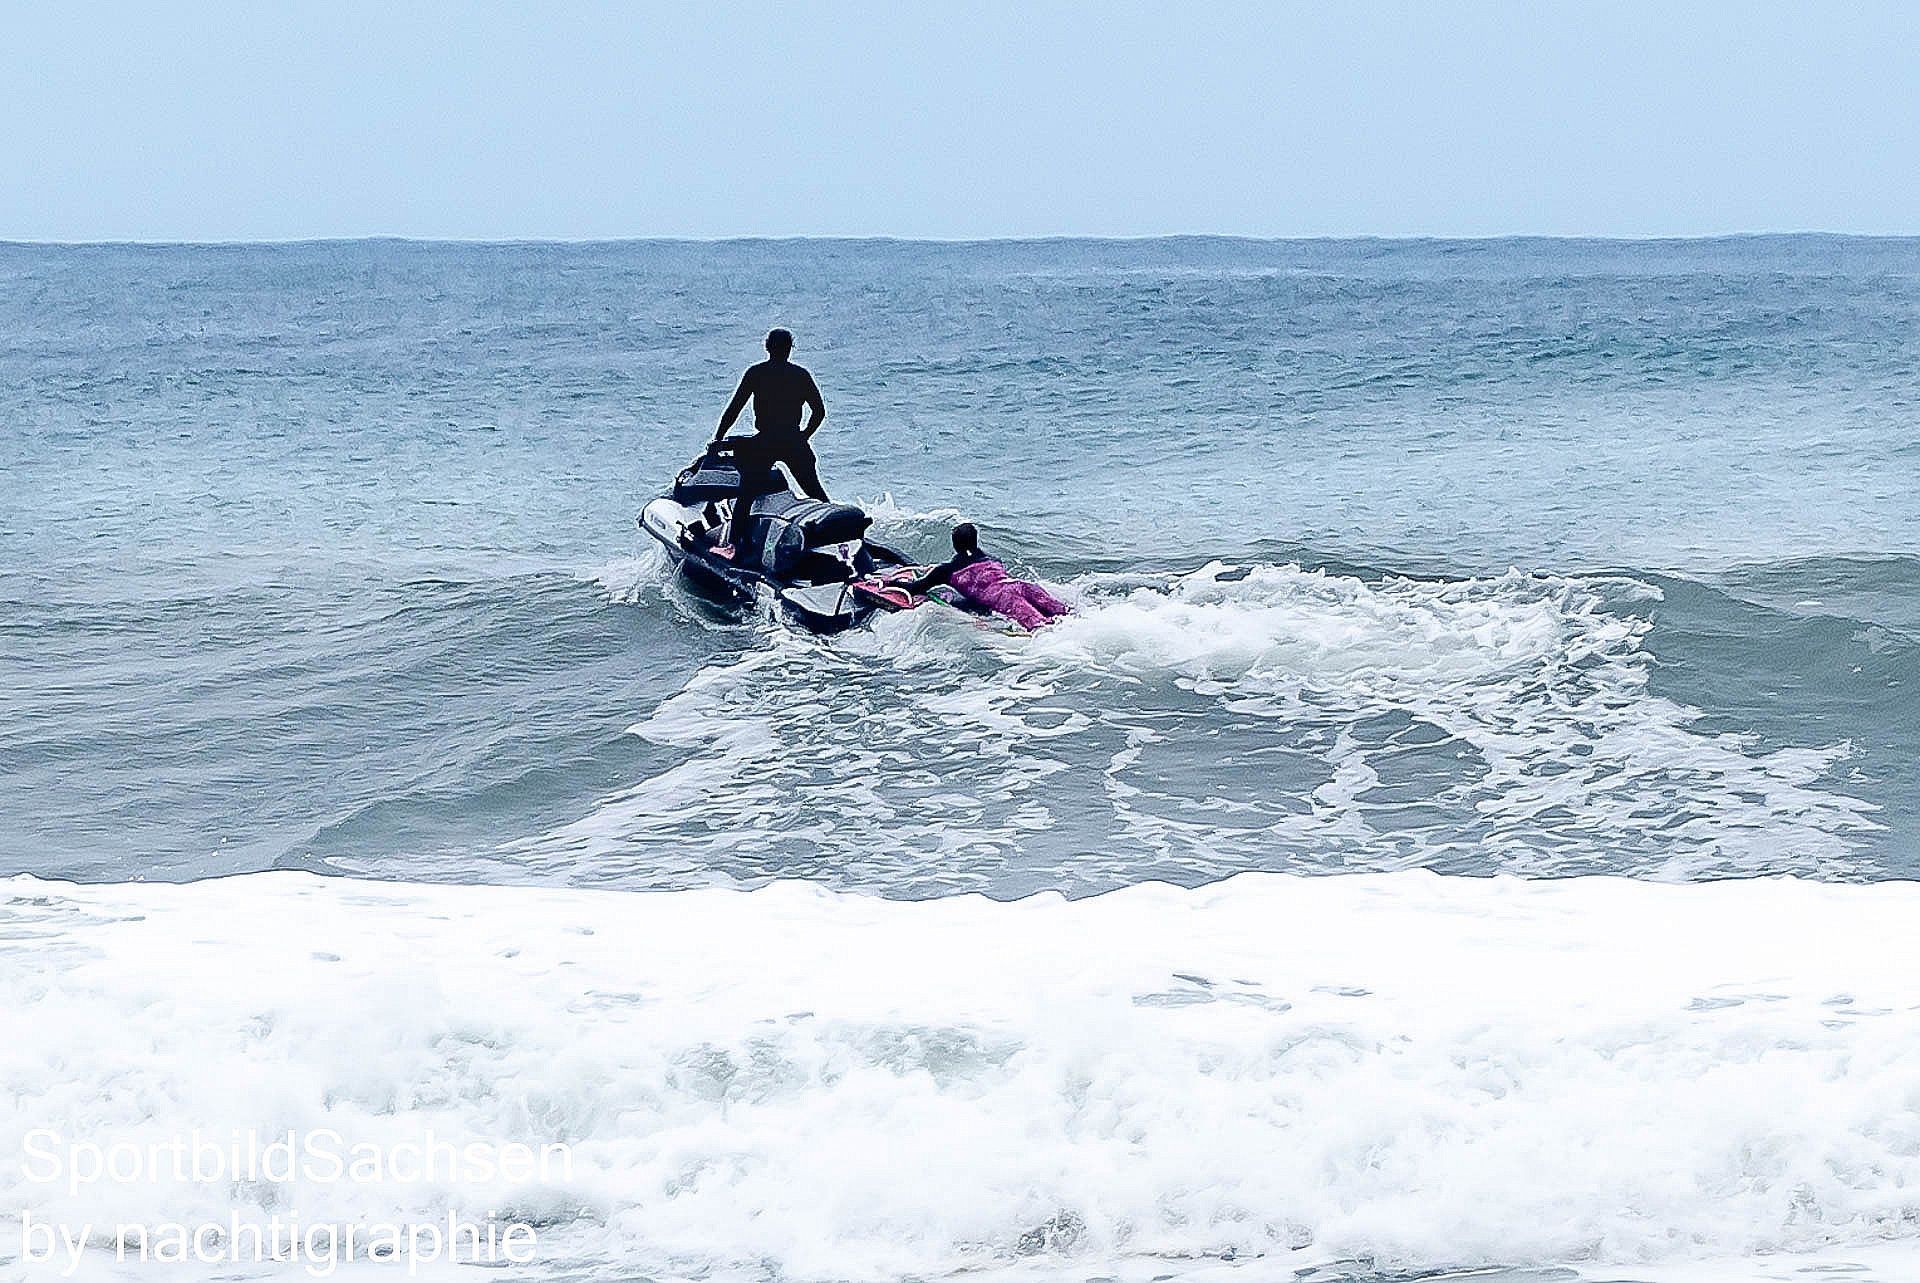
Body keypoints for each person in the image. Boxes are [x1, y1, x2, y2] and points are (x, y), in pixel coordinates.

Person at [710, 328, 827, 559]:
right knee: (815, 491)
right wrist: (804, 436)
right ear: (790, 349)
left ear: (767, 347)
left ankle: (732, 546)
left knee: (746, 495)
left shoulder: (756, 373)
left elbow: (734, 409)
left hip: (766, 441)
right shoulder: (800, 375)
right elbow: (819, 412)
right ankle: (837, 532)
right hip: (793, 440)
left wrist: (718, 438)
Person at [904, 523, 1070, 630]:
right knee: (1067, 616)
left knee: (1042, 630)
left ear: (954, 544)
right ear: (975, 540)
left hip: (1004, 598)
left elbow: (915, 588)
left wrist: (895, 582)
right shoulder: (993, 559)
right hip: (1023, 586)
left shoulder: (948, 571)